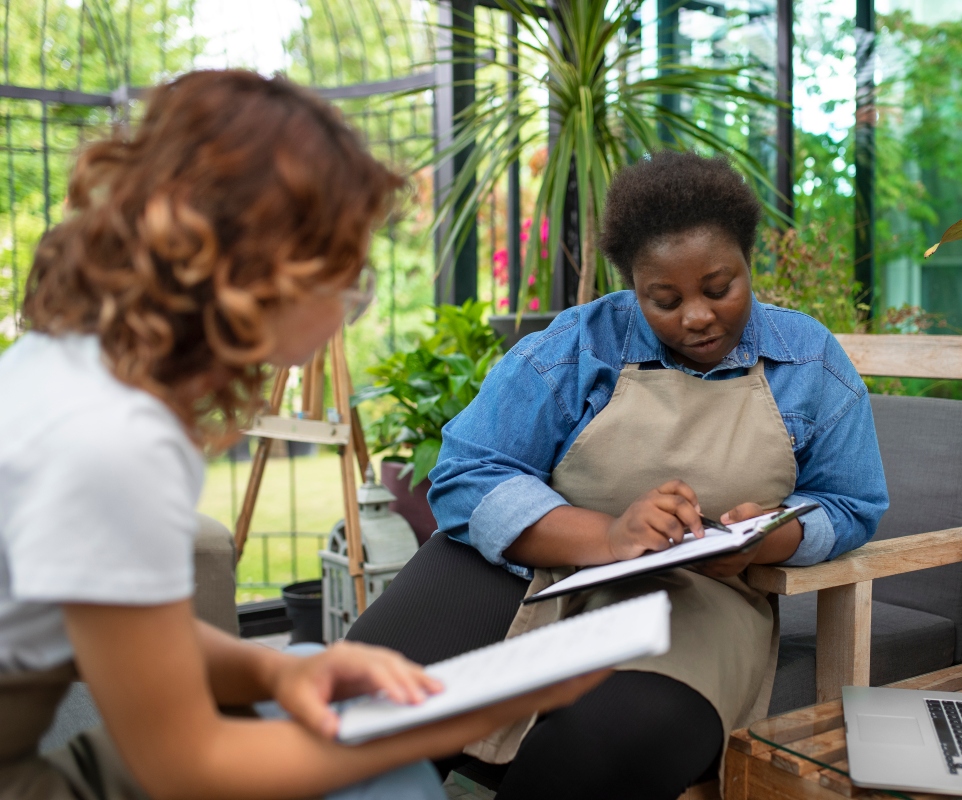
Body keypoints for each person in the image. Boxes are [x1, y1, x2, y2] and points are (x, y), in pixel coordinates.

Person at [0, 70, 603, 800]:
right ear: (270, 271)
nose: (354, 296)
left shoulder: (66, 366)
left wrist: (278, 668)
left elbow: (130, 629)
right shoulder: (116, 445)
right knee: (385, 779)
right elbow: (190, 764)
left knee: (316, 678)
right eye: (350, 267)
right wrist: (458, 714)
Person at [347, 151, 890, 799]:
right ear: (634, 287)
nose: (696, 315)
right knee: (367, 712)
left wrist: (774, 539)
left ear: (750, 264)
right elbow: (467, 473)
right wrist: (608, 537)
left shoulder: (807, 362)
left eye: (719, 288)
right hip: (526, 572)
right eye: (664, 299)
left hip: (690, 602)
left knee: (595, 755)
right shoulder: (580, 346)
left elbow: (850, 502)